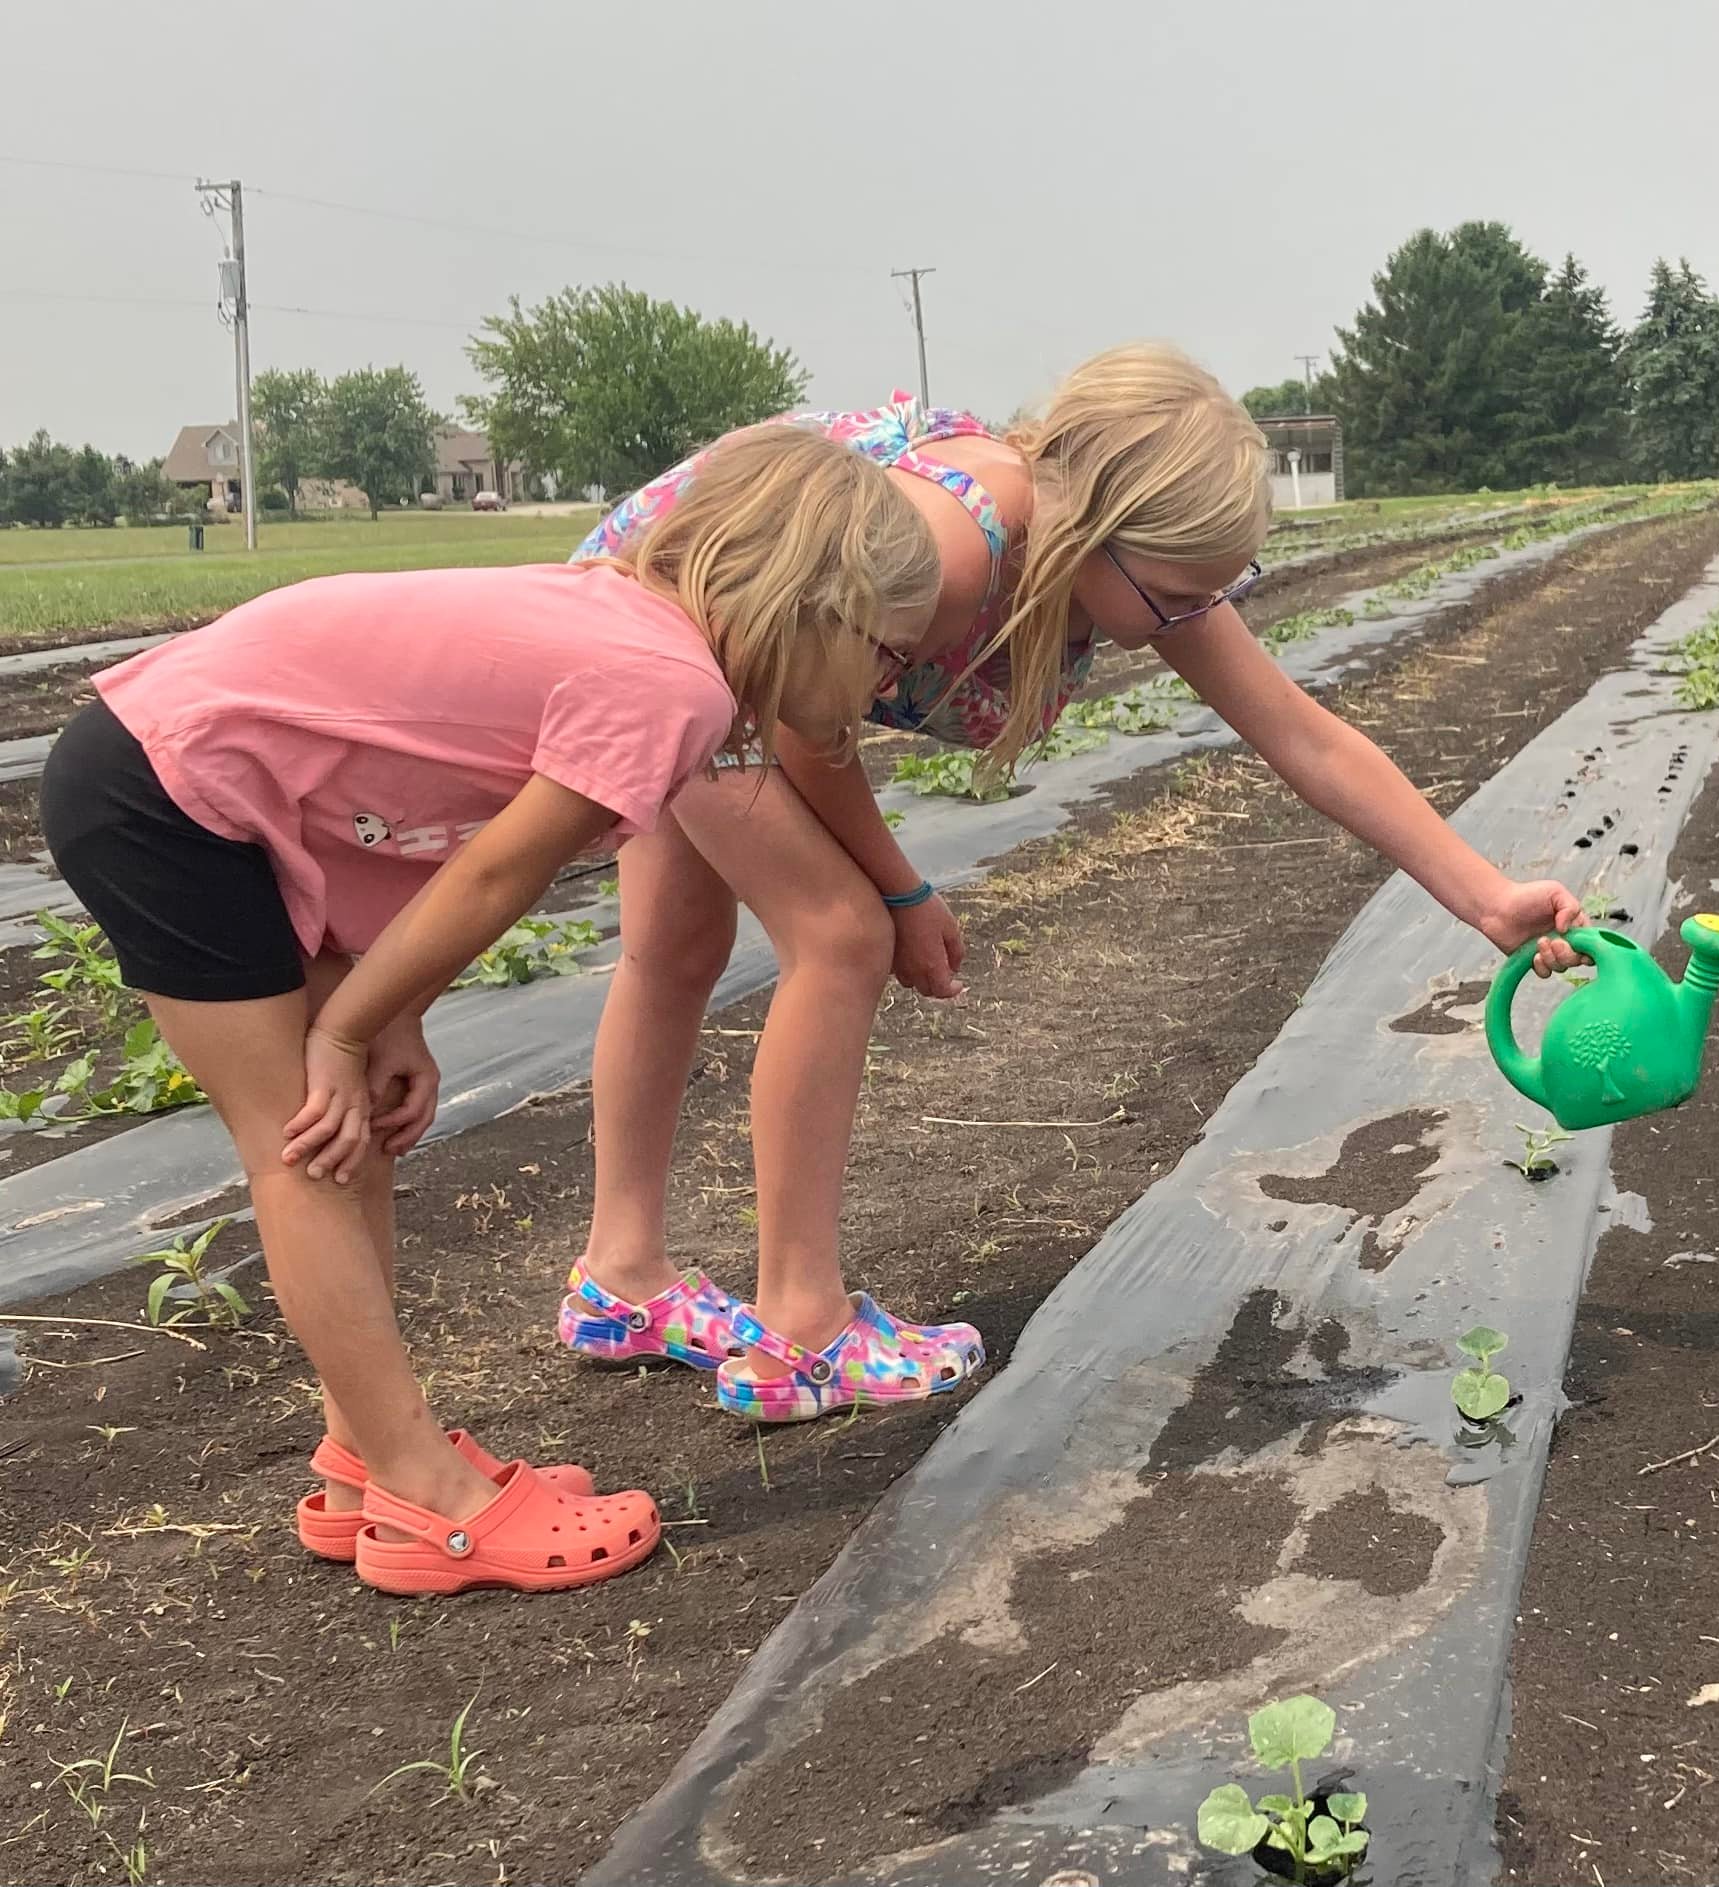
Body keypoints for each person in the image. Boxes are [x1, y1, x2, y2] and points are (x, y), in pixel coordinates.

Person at [558, 344, 1584, 1426]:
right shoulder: (955, 546)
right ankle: (801, 1327)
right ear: (1097, 528)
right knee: (839, 932)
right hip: (683, 638)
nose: (1198, 615)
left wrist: (1482, 897)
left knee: (674, 947)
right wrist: (902, 894)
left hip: (703, 636)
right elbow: (810, 727)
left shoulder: (1128, 564)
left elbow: (1305, 738)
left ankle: (620, 1278)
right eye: (1183, 592)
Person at [38, 427, 942, 1594]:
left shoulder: (633, 628)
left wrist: (387, 1013)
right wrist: (351, 1026)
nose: (886, 691)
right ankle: (428, 1495)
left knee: (343, 1126)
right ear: (811, 605)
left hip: (219, 782)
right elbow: (492, 874)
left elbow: (394, 774)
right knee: (303, 1144)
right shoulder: (668, 684)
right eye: (885, 655)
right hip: (165, 789)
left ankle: (362, 1462)